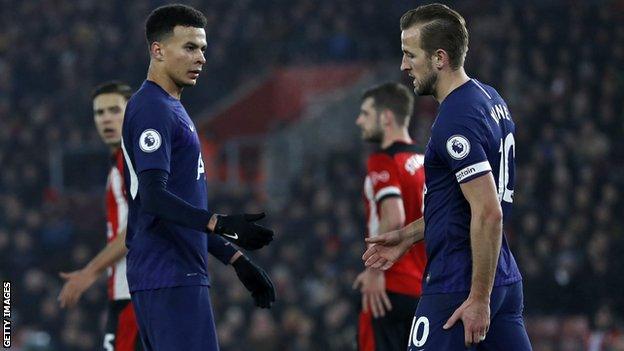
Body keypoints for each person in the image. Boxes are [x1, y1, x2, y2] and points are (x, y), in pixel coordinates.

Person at [57, 81, 276, 350]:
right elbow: (173, 216)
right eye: (99, 113)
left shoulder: (141, 165)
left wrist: (90, 271)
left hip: (148, 286)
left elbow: (158, 215)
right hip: (141, 288)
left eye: (115, 110)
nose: (106, 120)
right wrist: (233, 257)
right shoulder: (120, 167)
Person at [363, 4, 532, 350]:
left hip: (458, 285)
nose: (403, 65)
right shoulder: (490, 98)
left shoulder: (455, 119)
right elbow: (462, 205)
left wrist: (478, 298)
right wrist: (409, 235)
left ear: (439, 58)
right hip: (501, 277)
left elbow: (488, 211)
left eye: (410, 55)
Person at [120, 4, 274, 350]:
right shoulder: (152, 109)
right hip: (169, 274)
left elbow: (180, 208)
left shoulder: (171, 108)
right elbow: (155, 198)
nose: (201, 58)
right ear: (157, 50)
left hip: (172, 274)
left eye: (203, 48)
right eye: (190, 47)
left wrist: (234, 258)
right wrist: (222, 224)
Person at [352, 82, 427, 351]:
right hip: (426, 291)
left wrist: (374, 271)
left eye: (366, 113)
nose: (359, 120)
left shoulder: (382, 161)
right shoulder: (426, 161)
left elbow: (394, 216)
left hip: (388, 288)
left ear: (385, 117)